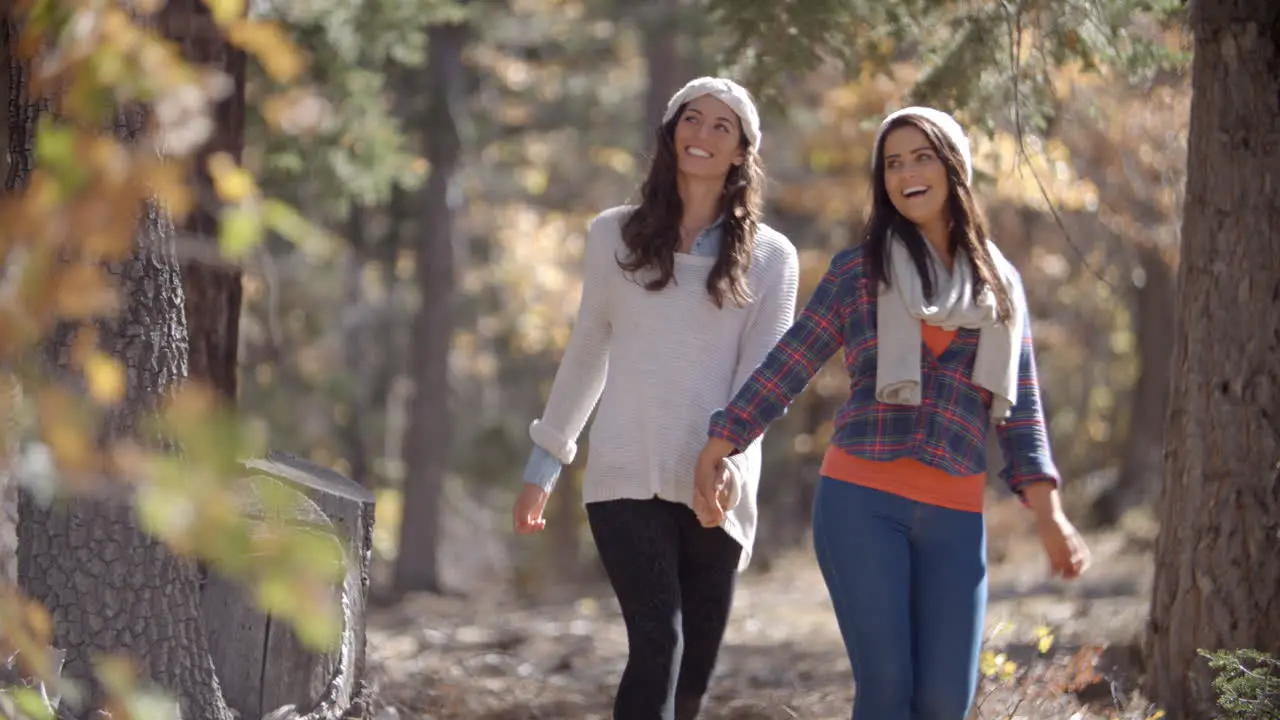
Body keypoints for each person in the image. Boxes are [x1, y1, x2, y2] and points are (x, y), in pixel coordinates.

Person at [692, 106, 1092, 720]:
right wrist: (723, 440)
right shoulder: (859, 271)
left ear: (953, 168)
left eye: (921, 157)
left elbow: (1022, 411)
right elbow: (791, 361)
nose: (906, 173)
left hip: (956, 515)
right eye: (892, 163)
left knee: (943, 703)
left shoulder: (1000, 285)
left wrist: (1050, 517)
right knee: (887, 691)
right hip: (861, 500)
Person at [510, 76, 799, 720]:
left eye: (720, 126)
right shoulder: (612, 235)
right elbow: (588, 351)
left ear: (741, 151)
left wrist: (723, 459)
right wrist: (545, 465)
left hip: (715, 485)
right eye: (690, 120)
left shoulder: (773, 257)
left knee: (692, 676)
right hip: (623, 474)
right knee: (655, 641)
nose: (702, 134)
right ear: (670, 136)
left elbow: (764, 381)